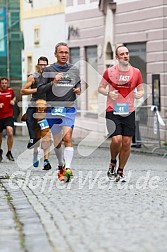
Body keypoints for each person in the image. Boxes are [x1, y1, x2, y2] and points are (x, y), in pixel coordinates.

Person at [98, 45, 144, 182]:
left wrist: (138, 94)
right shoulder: (109, 71)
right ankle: (113, 162)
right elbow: (100, 88)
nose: (125, 56)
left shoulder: (136, 72)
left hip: (128, 110)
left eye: (127, 53)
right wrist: (108, 93)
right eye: (122, 54)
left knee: (126, 142)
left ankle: (120, 171)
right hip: (112, 110)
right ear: (117, 57)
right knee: (116, 139)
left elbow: (141, 90)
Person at [38, 42, 81, 181]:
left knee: (67, 138)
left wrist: (78, 89)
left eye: (66, 52)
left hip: (69, 108)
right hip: (53, 109)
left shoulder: (73, 69)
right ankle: (61, 165)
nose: (64, 55)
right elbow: (40, 89)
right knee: (57, 141)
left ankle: (68, 168)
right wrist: (52, 82)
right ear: (55, 54)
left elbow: (78, 83)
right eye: (61, 52)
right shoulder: (48, 70)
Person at [21, 56, 52, 170]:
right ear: (38, 65)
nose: (43, 66)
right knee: (33, 129)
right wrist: (36, 90)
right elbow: (23, 91)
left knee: (46, 134)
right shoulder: (33, 77)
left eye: (45, 64)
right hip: (34, 106)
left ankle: (46, 160)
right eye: (41, 64)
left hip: (46, 108)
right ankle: (34, 150)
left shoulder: (51, 77)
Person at [0, 77, 16, 162]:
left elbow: (14, 97)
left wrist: (13, 101)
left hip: (8, 115)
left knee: (10, 132)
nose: (4, 84)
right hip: (0, 116)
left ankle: (9, 152)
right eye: (2, 83)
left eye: (5, 83)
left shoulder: (10, 91)